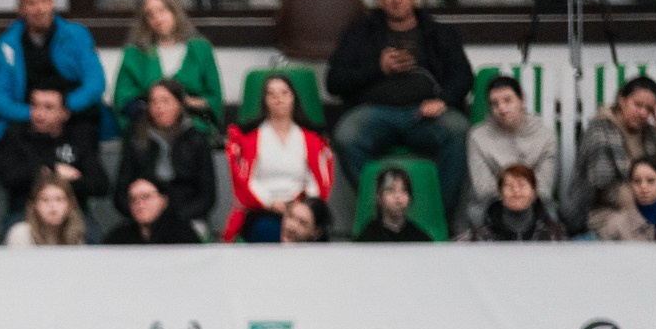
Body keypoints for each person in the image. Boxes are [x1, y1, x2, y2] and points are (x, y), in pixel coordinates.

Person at [326, 0, 472, 212]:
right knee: (346, 135)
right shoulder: (361, 31)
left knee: (458, 130)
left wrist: (443, 100)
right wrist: (377, 68)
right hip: (374, 113)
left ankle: (438, 214)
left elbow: (464, 76)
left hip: (424, 115)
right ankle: (381, 211)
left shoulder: (438, 32)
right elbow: (334, 82)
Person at [0, 0, 109, 147]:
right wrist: (36, 114)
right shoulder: (7, 45)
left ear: (52, 2)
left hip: (72, 114)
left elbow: (96, 83)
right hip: (28, 118)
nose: (39, 9)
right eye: (30, 3)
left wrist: (62, 110)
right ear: (21, 8)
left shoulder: (76, 35)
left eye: (44, 1)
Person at [223, 71, 333, 242]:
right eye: (271, 94)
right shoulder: (249, 139)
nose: (278, 98)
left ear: (293, 97)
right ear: (265, 100)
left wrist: (299, 205)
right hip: (262, 209)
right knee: (267, 230)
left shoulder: (311, 139)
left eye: (284, 93)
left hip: (300, 207)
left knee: (312, 232)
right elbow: (245, 181)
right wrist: (270, 203)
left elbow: (317, 180)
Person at [569, 76, 656, 237]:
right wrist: (652, 206)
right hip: (606, 211)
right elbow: (605, 187)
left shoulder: (650, 133)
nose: (643, 113)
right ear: (622, 101)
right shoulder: (600, 130)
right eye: (638, 105)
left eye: (649, 109)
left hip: (653, 206)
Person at [112, 0, 221, 140]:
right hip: (147, 129)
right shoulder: (135, 54)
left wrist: (185, 102)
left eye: (162, 11)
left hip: (193, 127)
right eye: (150, 15)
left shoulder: (201, 49)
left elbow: (214, 99)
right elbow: (122, 101)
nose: (157, 19)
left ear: (175, 12)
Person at [0, 84, 106, 227]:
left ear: (64, 114)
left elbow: (100, 185)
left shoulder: (79, 138)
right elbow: (9, 177)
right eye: (35, 105)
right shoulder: (15, 135)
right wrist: (55, 170)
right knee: (17, 235)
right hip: (25, 213)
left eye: (48, 107)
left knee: (92, 238)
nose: (39, 114)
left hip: (73, 214)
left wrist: (71, 183)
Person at [114, 79, 214, 231]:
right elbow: (120, 192)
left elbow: (207, 196)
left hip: (186, 216)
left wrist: (178, 217)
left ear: (180, 105)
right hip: (142, 216)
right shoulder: (135, 138)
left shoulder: (196, 139)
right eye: (153, 102)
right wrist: (142, 213)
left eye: (165, 101)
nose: (159, 107)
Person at [465, 75, 555, 212]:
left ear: (522, 99)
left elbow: (545, 188)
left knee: (551, 216)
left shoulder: (545, 136)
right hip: (490, 207)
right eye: (495, 103)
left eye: (508, 100)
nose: (501, 108)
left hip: (537, 207)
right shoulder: (478, 137)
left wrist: (504, 184)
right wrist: (523, 186)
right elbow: (483, 188)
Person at [463, 163, 567, 242]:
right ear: (500, 193)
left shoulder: (554, 234)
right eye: (509, 186)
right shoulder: (480, 236)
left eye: (522, 185)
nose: (516, 191)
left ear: (534, 192)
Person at [104, 177, 198, 244]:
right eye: (133, 199)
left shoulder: (183, 235)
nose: (139, 204)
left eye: (146, 197)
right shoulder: (119, 237)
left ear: (164, 200)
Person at [5, 171, 86, 246]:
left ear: (70, 205)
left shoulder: (76, 235)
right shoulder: (21, 233)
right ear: (34, 205)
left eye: (59, 199)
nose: (52, 205)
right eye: (45, 200)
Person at [354, 165, 431, 242]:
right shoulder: (367, 237)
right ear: (379, 197)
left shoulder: (419, 238)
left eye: (404, 190)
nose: (398, 196)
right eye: (391, 190)